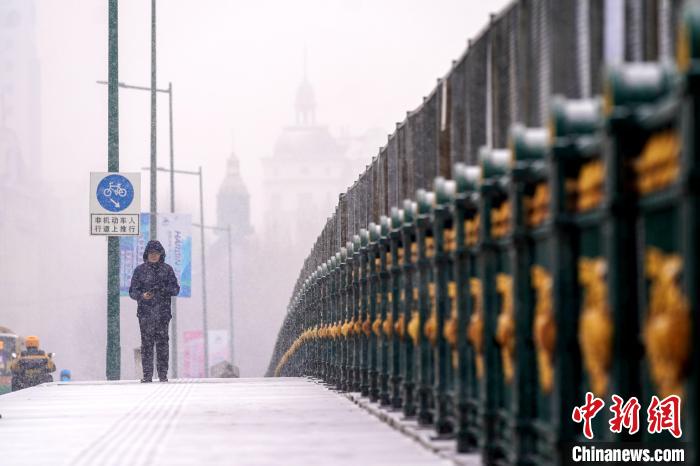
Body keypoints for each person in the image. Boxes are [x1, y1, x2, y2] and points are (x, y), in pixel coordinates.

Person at [129, 240, 180, 383]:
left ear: (161, 255)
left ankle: (163, 374)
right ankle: (147, 375)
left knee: (163, 344)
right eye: (151, 253)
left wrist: (162, 290)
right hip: (145, 314)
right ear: (147, 254)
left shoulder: (167, 270)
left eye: (156, 253)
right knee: (146, 344)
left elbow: (175, 289)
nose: (153, 256)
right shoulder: (140, 271)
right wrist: (142, 296)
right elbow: (132, 292)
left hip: (163, 314)